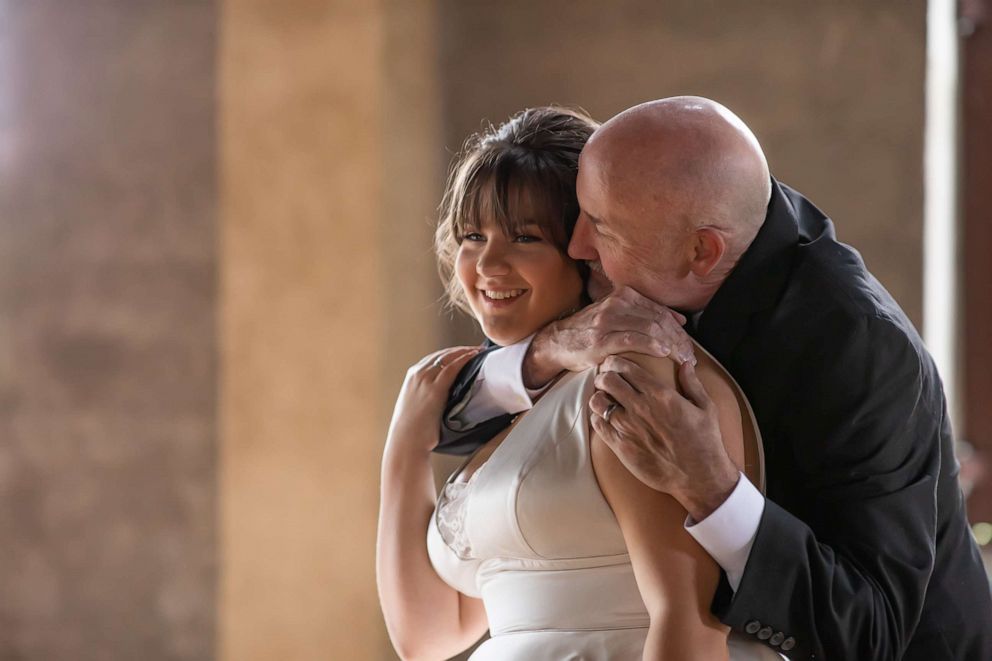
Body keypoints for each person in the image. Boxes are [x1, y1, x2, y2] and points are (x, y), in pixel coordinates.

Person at [437, 96, 992, 660]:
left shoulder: (857, 347)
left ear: (703, 251)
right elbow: (455, 416)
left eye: (600, 228)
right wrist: (550, 350)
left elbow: (868, 631)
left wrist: (712, 486)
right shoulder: (654, 232)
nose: (576, 246)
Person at [376, 106, 776, 660]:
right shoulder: (514, 409)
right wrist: (404, 449)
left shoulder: (633, 377)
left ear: (586, 249)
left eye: (526, 238)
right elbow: (428, 635)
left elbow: (689, 618)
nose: (489, 264)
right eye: (473, 235)